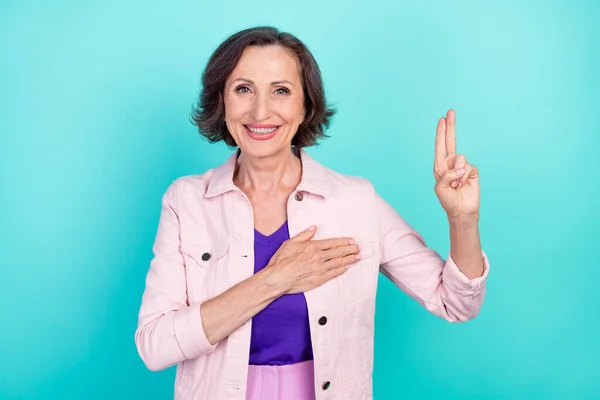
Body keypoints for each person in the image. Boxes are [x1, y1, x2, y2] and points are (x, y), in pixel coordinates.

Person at [134, 26, 490, 400]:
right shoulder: (187, 200)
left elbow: (456, 303)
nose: (260, 111)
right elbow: (155, 346)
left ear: (305, 106)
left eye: (281, 91)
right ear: (222, 100)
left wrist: (462, 219)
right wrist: (275, 279)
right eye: (243, 89)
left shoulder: (355, 201)